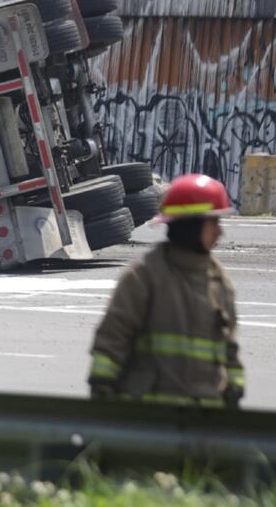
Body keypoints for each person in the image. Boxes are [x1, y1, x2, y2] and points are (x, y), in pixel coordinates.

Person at [88, 174, 244, 408]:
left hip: (203, 422)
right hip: (148, 422)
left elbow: (228, 348)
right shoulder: (144, 276)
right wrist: (102, 388)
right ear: (191, 226)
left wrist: (234, 386)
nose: (219, 233)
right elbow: (113, 338)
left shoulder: (219, 281)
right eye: (213, 223)